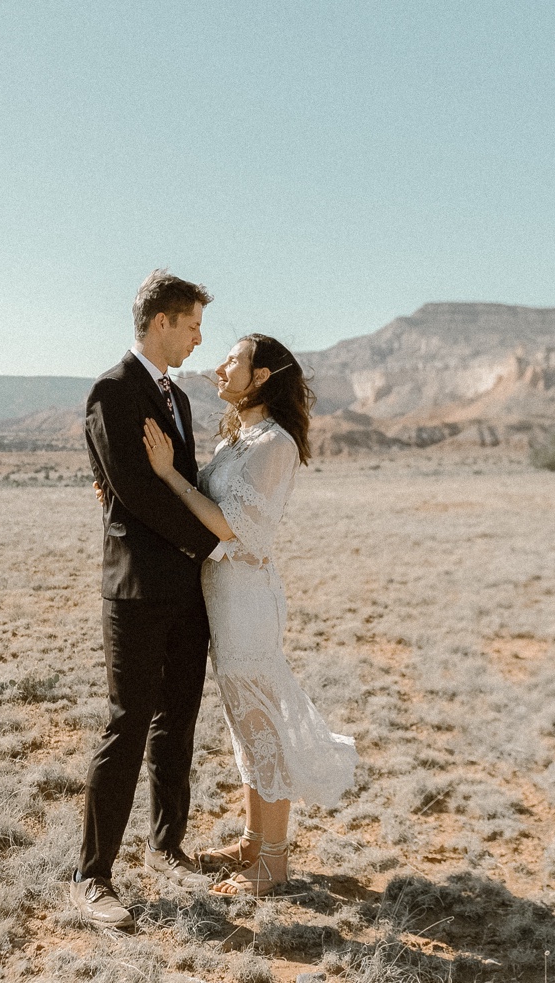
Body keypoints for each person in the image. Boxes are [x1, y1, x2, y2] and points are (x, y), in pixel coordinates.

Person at [142, 333, 358, 896]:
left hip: (247, 602)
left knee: (263, 724)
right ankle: (252, 842)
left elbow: (231, 525)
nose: (220, 367)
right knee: (246, 724)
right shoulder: (242, 438)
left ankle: (273, 865)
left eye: (233, 360)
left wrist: (167, 475)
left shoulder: (274, 444)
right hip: (224, 595)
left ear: (261, 376)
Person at [72, 269, 221, 930]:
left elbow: (179, 483)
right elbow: (135, 490)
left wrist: (200, 550)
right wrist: (211, 542)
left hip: (187, 589)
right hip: (136, 591)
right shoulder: (114, 390)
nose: (197, 337)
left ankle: (169, 845)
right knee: (127, 722)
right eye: (191, 324)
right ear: (161, 322)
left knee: (178, 719)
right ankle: (90, 876)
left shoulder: (179, 401)